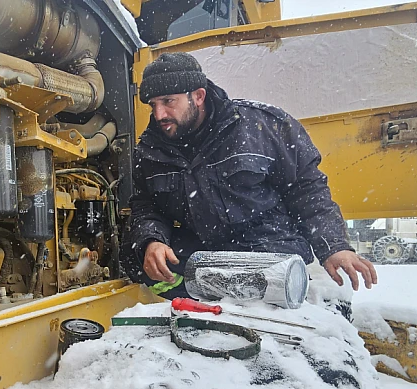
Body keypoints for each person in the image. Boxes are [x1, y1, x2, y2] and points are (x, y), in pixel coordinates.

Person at [122, 52, 376, 298]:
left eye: (168, 101)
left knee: (275, 295)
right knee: (136, 257)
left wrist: (334, 246)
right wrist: (152, 241)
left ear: (198, 96)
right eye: (153, 105)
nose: (159, 115)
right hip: (206, 252)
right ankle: (190, 303)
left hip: (269, 248)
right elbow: (147, 206)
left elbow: (307, 189)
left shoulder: (262, 127)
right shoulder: (150, 150)